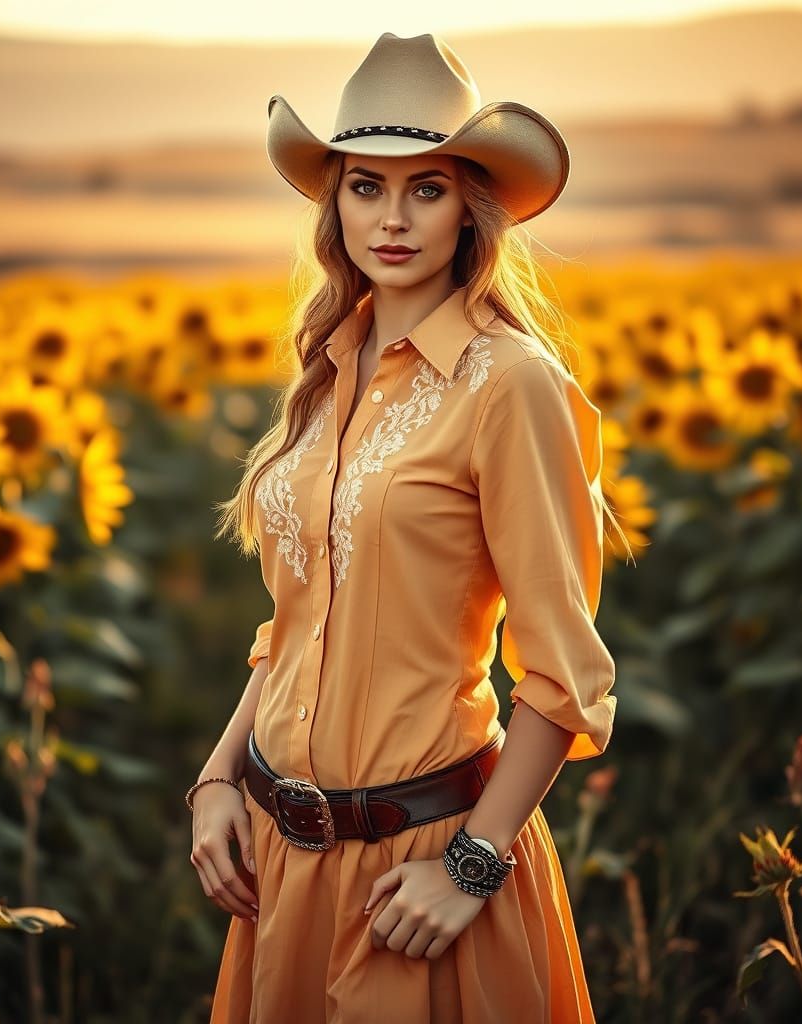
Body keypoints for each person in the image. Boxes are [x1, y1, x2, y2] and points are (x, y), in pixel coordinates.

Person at [188, 31, 625, 1024]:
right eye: (363, 186)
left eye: (425, 189)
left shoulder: (510, 384)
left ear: (469, 208)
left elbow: (564, 672)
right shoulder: (325, 373)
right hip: (280, 869)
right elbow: (295, 628)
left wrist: (471, 867)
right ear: (333, 201)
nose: (390, 218)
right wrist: (216, 776)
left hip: (422, 876)